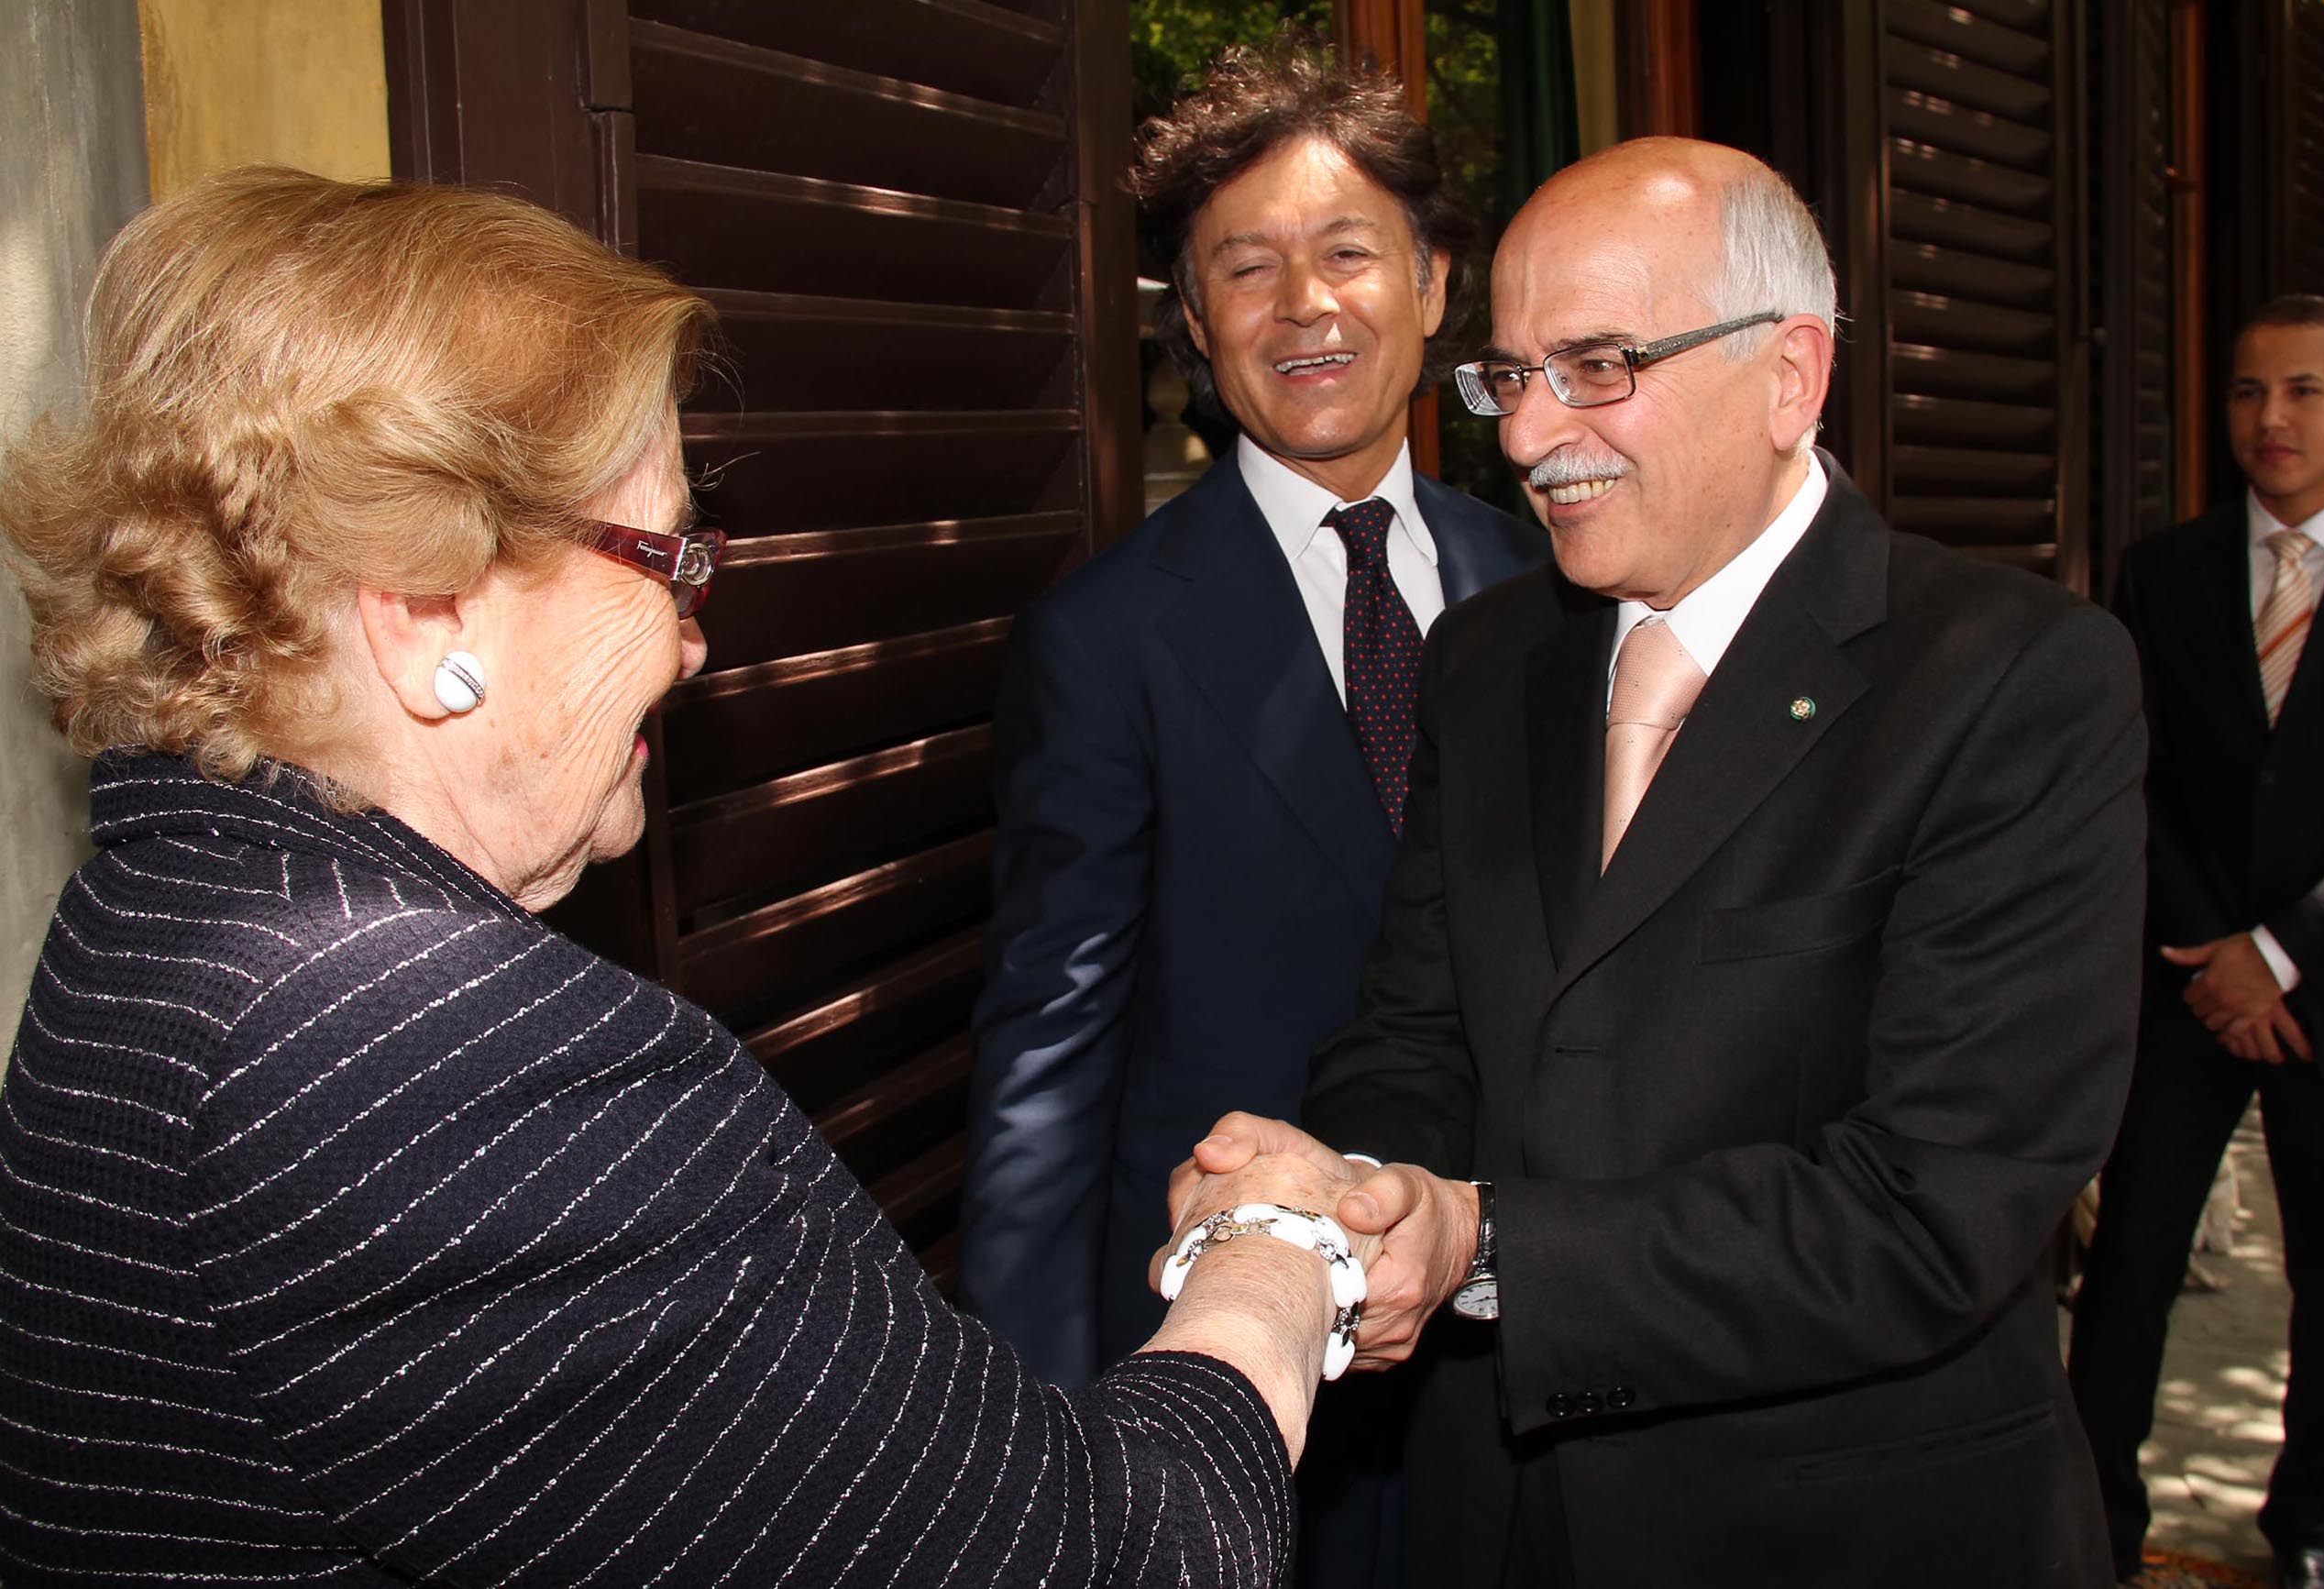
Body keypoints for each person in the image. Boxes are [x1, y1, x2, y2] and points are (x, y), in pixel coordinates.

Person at [0, 167, 1370, 1587]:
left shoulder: (157, 906)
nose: (696, 639)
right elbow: (1121, 1560)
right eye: (671, 555)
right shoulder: (444, 1065)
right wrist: (1274, 1250)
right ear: (420, 608)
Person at [1183, 137, 2149, 1587]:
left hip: (1843, 1529)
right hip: (1495, 1519)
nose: (1524, 435)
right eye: (1510, 374)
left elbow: (1933, 1206)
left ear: (1792, 377)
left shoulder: (2019, 683)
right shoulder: (1490, 662)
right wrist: (1350, 1194)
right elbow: (1415, 1030)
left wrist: (1485, 1244)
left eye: (1597, 365)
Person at [959, 47, 1542, 1588]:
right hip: (1248, 1354)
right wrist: (1035, 1428)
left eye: (1349, 252)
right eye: (1248, 269)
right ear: (1195, 325)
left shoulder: (1551, 589)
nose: (1308, 306)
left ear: (1431, 285)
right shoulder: (1105, 639)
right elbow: (1046, 1051)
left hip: (1517, 1328)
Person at [2068, 294, 2324, 1589]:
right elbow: (2129, 773)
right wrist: (2217, 948)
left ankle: (2310, 1524)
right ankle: (2096, 1515)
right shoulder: (2167, 572)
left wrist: (2287, 952)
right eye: (2249, 391)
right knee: (2132, 1263)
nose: (2271, 418)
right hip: (2187, 987)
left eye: (2303, 391)